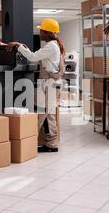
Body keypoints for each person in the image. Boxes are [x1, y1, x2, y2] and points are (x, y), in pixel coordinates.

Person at [6, 18, 65, 153]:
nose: (39, 32)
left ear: (48, 32)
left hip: (48, 84)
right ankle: (51, 144)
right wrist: (21, 45)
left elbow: (33, 57)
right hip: (50, 83)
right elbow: (36, 56)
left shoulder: (51, 46)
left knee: (40, 114)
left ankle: (29, 143)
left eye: (41, 30)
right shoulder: (53, 45)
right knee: (48, 114)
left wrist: (18, 46)